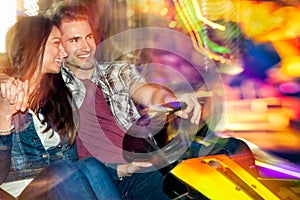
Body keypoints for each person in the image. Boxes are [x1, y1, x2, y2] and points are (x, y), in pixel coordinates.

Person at [47, 1, 257, 199]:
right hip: (119, 178)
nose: (86, 46)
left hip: (149, 157)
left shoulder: (116, 72)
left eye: (88, 37)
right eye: (74, 40)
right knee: (182, 184)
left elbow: (146, 92)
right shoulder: (54, 88)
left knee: (234, 149)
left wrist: (171, 99)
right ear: (60, 46)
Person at [0, 15, 121, 199]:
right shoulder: (5, 92)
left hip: (63, 186)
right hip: (18, 193)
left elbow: (72, 163)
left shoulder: (59, 97)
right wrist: (4, 117)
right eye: (57, 43)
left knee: (90, 166)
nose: (63, 53)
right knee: (61, 172)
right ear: (36, 44)